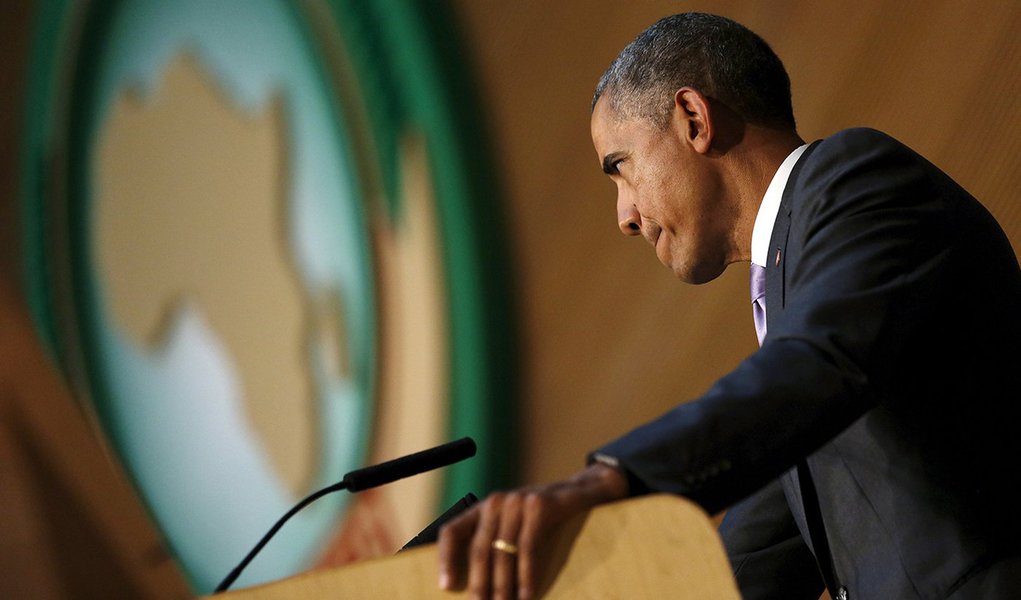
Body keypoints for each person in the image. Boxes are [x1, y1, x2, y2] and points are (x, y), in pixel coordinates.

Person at [437, 12, 1021, 600]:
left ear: (694, 119)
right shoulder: (792, 318)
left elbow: (813, 369)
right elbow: (743, 562)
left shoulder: (859, 180)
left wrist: (609, 480)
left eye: (621, 168)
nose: (625, 217)